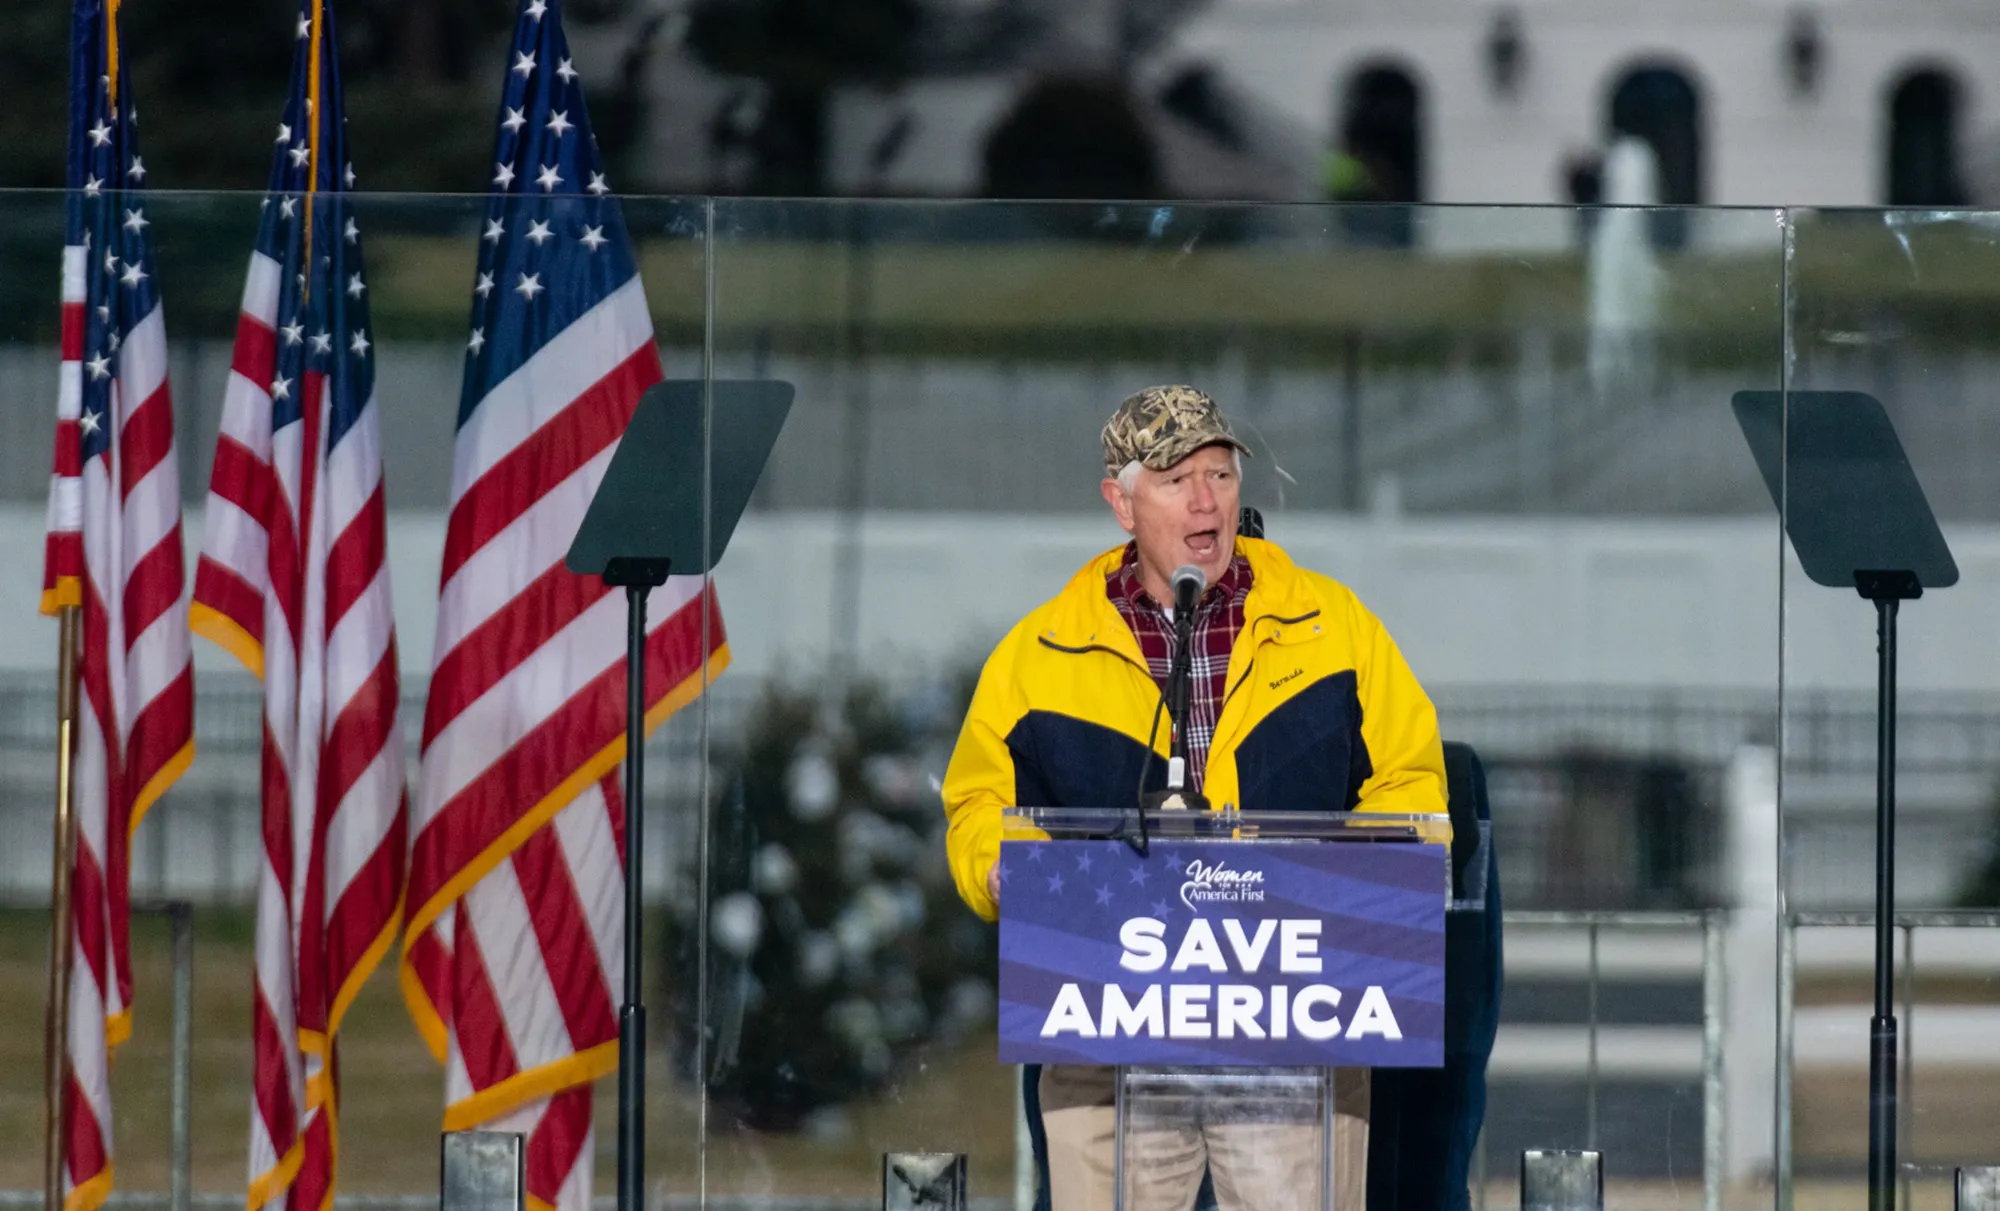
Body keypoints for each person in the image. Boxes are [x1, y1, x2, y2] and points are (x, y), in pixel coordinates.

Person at [940, 385, 1448, 1211]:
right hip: (1108, 1019)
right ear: (1120, 501)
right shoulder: (1039, 654)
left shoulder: (1334, 625)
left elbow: (1412, 776)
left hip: (1289, 1015)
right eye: (1177, 478)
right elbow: (979, 805)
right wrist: (1001, 867)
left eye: (1221, 472)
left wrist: (1374, 870)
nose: (1206, 499)